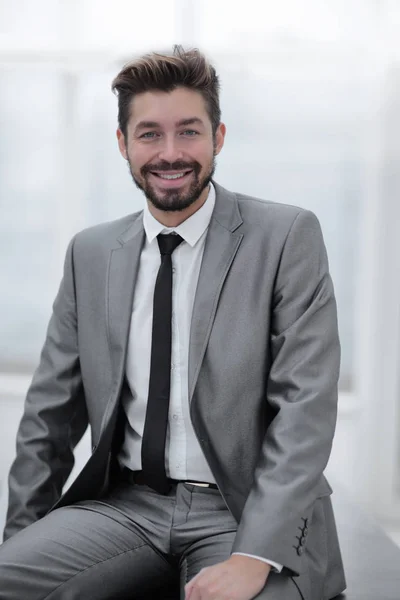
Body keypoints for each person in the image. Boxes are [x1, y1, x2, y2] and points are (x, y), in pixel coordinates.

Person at [0, 46, 346, 600]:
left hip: (241, 512)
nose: (169, 153)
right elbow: (49, 414)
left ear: (218, 137)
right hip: (125, 506)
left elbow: (304, 411)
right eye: (149, 134)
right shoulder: (90, 253)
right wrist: (22, 539)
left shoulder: (286, 237)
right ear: (123, 144)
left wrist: (254, 555)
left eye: (188, 132)